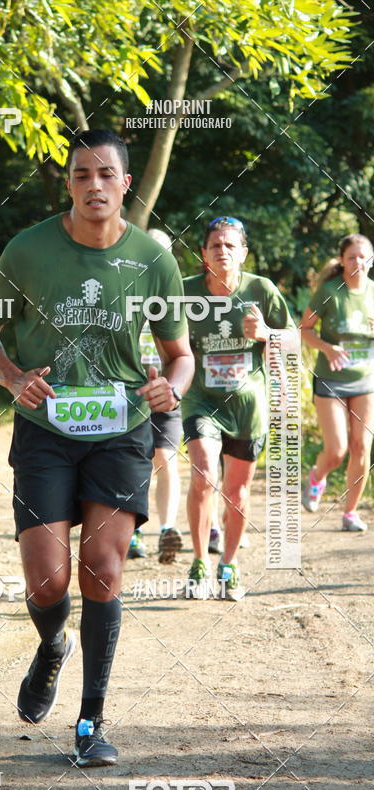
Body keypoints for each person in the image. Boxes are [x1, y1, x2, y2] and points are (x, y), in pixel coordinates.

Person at [0, 129, 194, 766]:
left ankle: (91, 722)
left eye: (105, 175)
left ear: (125, 184)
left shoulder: (153, 257)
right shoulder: (29, 248)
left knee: (104, 568)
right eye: (80, 176)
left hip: (121, 428)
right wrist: (14, 378)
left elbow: (180, 356)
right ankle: (52, 645)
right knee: (47, 577)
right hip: (45, 428)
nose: (93, 186)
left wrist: (168, 393)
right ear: (69, 184)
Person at [182, 216, 294, 600]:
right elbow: (159, 341)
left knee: (237, 490)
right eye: (215, 245)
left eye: (231, 246)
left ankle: (228, 565)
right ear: (203, 254)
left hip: (248, 405)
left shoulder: (261, 290)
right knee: (203, 474)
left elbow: (293, 340)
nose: (223, 251)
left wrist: (267, 335)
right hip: (202, 401)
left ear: (244, 253)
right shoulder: (186, 293)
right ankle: (199, 563)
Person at [300, 233, 374, 531]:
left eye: (363, 256)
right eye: (351, 257)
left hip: (366, 380)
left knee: (362, 447)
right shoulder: (330, 291)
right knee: (338, 449)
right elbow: (304, 329)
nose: (358, 262)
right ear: (342, 261)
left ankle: (350, 513)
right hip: (331, 381)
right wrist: (328, 348)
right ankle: (317, 477)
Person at [127, 228, 184, 564]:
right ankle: (132, 529)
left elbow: (186, 351)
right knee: (134, 463)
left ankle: (167, 529)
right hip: (128, 393)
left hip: (164, 392)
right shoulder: (123, 290)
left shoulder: (176, 297)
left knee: (164, 458)